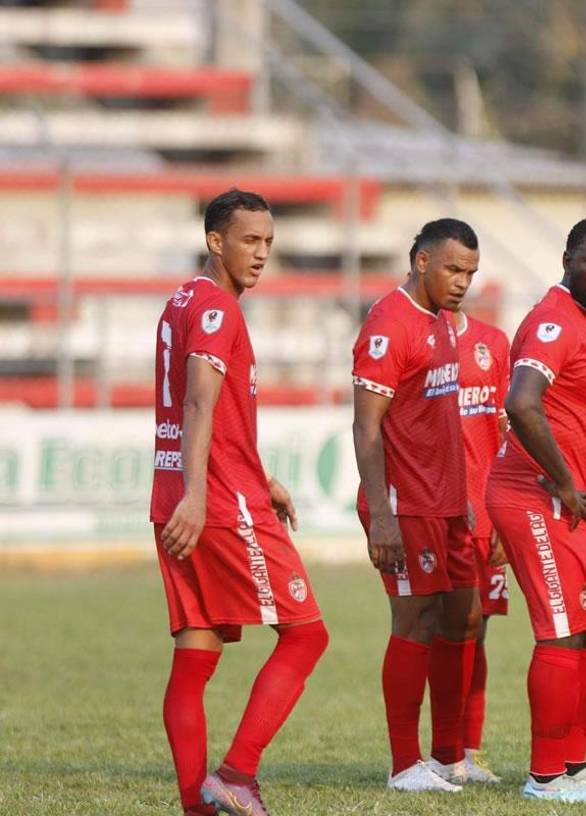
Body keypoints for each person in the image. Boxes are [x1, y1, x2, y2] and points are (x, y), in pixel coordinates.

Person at [151, 189, 329, 816]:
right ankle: (237, 775)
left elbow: (209, 413)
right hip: (218, 504)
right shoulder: (219, 309)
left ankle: (196, 807)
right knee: (307, 636)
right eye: (249, 241)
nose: (261, 254)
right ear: (215, 241)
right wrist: (204, 496)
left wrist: (263, 473)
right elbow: (199, 402)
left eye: (269, 243)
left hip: (178, 495)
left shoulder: (181, 301)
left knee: (195, 656)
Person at [485, 216, 586, 803]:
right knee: (563, 632)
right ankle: (545, 775)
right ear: (567, 260)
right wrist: (564, 479)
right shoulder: (553, 321)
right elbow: (520, 403)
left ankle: (574, 766)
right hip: (535, 496)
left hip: (575, 506)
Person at [351, 218, 481, 793]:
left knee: (464, 618)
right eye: (453, 269)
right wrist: (381, 514)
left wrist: (465, 498)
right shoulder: (388, 323)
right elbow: (366, 427)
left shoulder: (442, 322)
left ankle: (449, 757)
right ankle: (405, 764)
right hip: (405, 506)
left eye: (471, 274)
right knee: (415, 621)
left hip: (447, 503)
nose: (462, 283)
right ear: (421, 260)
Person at [453, 306, 512, 783]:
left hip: (487, 516)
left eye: (466, 270)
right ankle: (439, 752)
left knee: (479, 632)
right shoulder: (411, 337)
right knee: (438, 630)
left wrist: (501, 514)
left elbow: (505, 434)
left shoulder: (492, 343)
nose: (459, 279)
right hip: (436, 515)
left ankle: (468, 751)